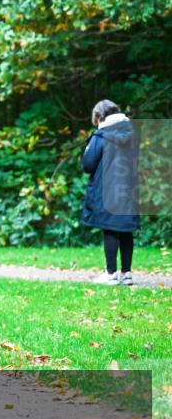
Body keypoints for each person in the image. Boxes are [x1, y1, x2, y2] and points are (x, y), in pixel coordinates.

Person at [81, 99, 140, 286]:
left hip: (107, 190)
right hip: (129, 189)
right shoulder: (132, 135)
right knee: (125, 230)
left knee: (110, 229)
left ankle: (111, 273)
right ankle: (127, 273)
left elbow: (87, 165)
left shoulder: (100, 137)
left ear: (99, 117)